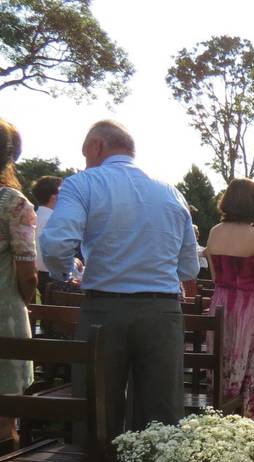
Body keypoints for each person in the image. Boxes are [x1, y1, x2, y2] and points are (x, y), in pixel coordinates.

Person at [41, 119, 199, 444]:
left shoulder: (83, 183)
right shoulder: (172, 192)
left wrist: (65, 274)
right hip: (162, 311)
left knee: (97, 406)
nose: (84, 161)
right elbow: (189, 266)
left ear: (97, 146)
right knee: (162, 413)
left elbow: (56, 245)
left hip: (104, 309)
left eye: (85, 153)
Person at [205, 179, 254, 423]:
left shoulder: (214, 231)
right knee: (252, 365)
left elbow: (215, 276)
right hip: (250, 307)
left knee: (220, 361)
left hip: (220, 303)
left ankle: (218, 418)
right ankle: (248, 421)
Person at [0, 119, 37, 447]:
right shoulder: (13, 203)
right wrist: (26, 297)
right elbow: (27, 270)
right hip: (3, 311)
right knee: (4, 409)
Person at [31, 175, 62, 302]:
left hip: (31, 271)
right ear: (54, 198)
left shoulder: (31, 218)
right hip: (50, 276)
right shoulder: (55, 221)